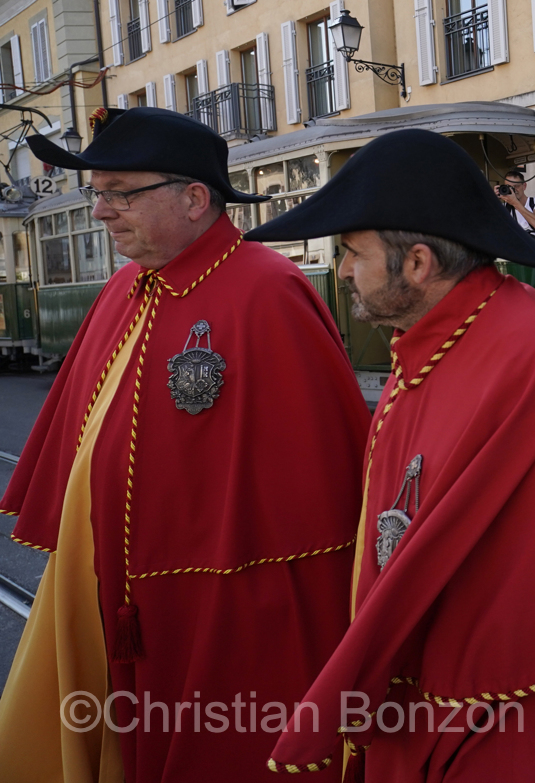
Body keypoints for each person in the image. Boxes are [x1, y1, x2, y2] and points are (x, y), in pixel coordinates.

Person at [243, 129, 535, 781]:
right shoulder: (431, 341)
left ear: (417, 263)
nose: (342, 271)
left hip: (503, 718)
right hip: (436, 705)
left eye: (353, 252)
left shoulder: (533, 353)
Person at [0, 107, 368, 780]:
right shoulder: (122, 290)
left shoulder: (268, 291)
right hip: (119, 594)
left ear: (195, 198)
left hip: (231, 612)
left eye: (120, 193)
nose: (102, 211)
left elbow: (321, 491)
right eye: (97, 194)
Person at [494, 168, 535, 246]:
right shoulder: (504, 207)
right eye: (509, 187)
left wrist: (515, 202)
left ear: (524, 186)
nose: (513, 190)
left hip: (534, 250)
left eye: (516, 186)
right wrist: (492, 198)